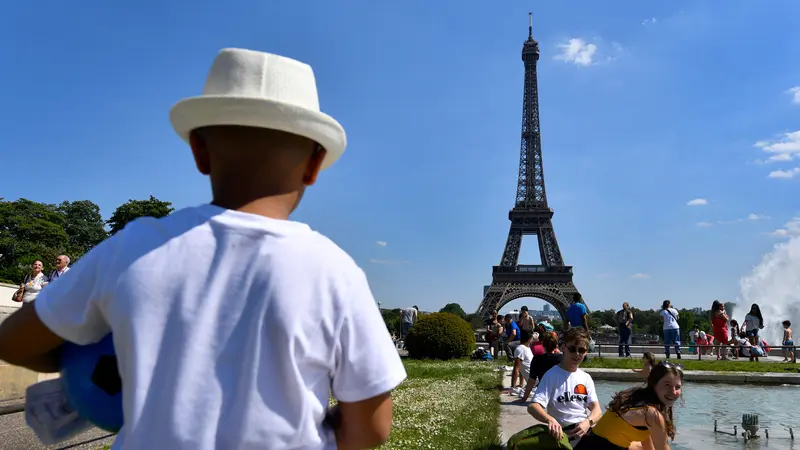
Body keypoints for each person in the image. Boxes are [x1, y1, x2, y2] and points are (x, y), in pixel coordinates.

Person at [0, 49, 407, 449]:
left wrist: (100, 361)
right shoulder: (334, 270)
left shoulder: (132, 247)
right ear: (315, 163)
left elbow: (16, 342)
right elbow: (372, 425)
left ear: (199, 150)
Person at [574, 361, 684, 450]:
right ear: (654, 384)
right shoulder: (652, 414)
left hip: (588, 443)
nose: (673, 392)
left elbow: (647, 443)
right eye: (667, 385)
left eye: (677, 387)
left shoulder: (637, 397)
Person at [527, 328, 602, 446]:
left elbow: (597, 410)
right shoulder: (551, 375)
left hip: (584, 431)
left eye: (581, 350)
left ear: (586, 352)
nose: (577, 354)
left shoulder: (586, 378)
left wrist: (588, 422)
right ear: (563, 348)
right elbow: (533, 406)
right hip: (563, 434)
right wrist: (550, 420)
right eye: (572, 349)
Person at [519, 332, 563, 402]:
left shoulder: (537, 359)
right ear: (556, 345)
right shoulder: (562, 358)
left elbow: (531, 381)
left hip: (544, 393)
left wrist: (524, 398)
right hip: (560, 393)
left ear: (543, 345)